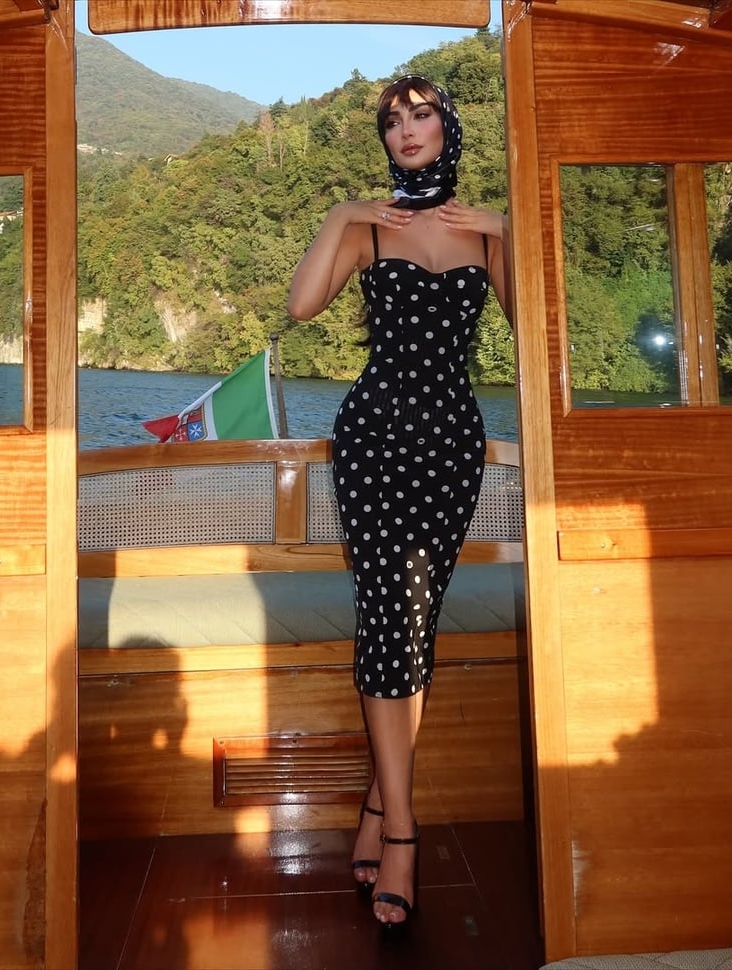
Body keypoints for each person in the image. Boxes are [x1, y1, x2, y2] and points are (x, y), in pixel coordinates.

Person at [287, 74, 511, 928]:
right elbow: (302, 306)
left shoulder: (483, 231)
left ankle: (379, 806)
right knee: (389, 617)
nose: (406, 129)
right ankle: (404, 834)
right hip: (375, 442)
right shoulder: (370, 226)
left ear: (447, 126)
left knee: (413, 622)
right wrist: (342, 212)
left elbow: (538, 330)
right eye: (392, 120)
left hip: (451, 446)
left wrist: (510, 230)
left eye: (420, 115)